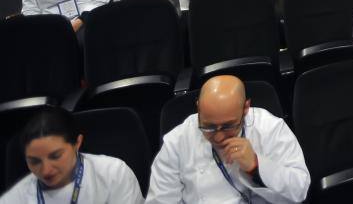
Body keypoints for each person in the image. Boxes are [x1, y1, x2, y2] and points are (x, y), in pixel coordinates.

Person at [147, 75, 309, 203]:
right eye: (208, 127)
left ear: (245, 109)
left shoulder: (269, 128)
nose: (218, 136)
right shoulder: (177, 141)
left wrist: (256, 166)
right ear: (198, 108)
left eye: (227, 127)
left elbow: (300, 190)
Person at [0, 106, 143, 203]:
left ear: (77, 143)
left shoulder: (113, 174)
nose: (46, 170)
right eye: (34, 161)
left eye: (55, 156)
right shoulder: (15, 198)